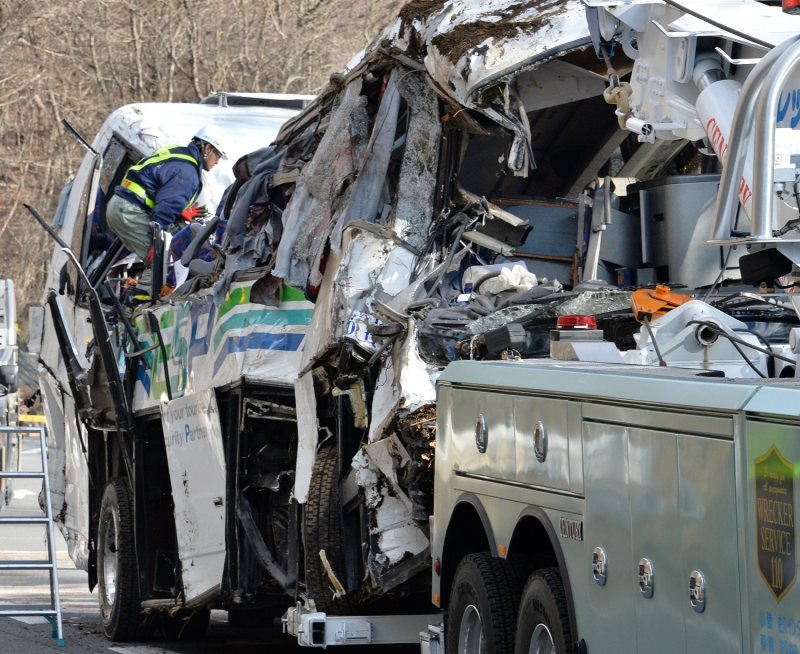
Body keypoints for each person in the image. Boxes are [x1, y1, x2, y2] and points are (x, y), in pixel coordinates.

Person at [106, 124, 229, 260]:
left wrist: (179, 211)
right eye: (217, 155)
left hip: (121, 205)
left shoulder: (178, 153)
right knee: (162, 262)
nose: (217, 161)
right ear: (207, 149)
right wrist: (157, 241)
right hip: (130, 212)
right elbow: (166, 206)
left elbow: (158, 185)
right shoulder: (188, 172)